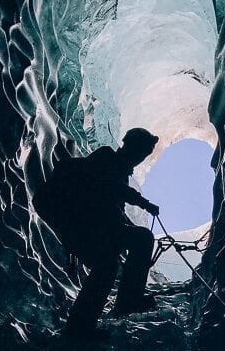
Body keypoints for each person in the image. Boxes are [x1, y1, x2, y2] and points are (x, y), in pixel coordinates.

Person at [33, 127, 160, 337]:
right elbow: (110, 186)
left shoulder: (118, 170)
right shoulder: (106, 157)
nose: (141, 158)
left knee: (134, 244)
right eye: (142, 153)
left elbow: (113, 207)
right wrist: (144, 203)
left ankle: (125, 302)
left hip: (91, 227)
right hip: (81, 226)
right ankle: (82, 327)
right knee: (108, 264)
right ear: (131, 148)